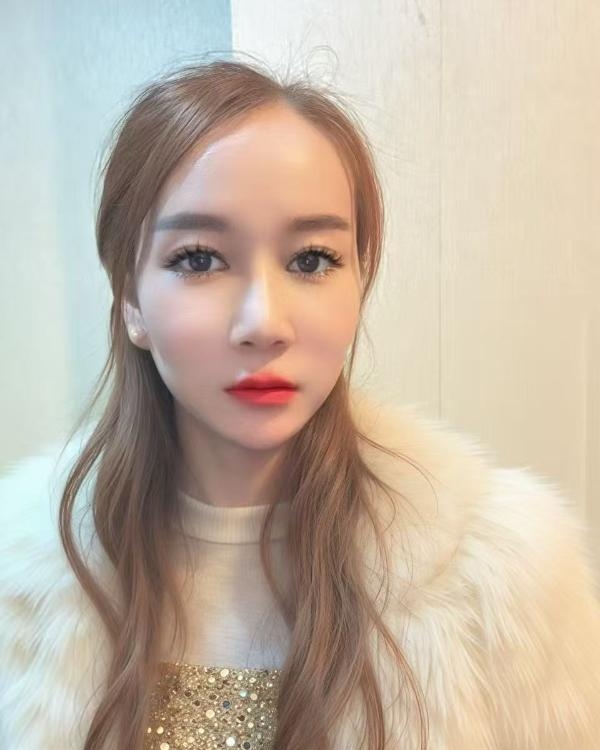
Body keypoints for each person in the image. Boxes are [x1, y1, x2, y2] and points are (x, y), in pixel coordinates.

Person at [1, 57, 599, 750]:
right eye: (199, 258)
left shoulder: (501, 580)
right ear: (130, 299)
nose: (265, 322)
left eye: (311, 260)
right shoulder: (22, 588)